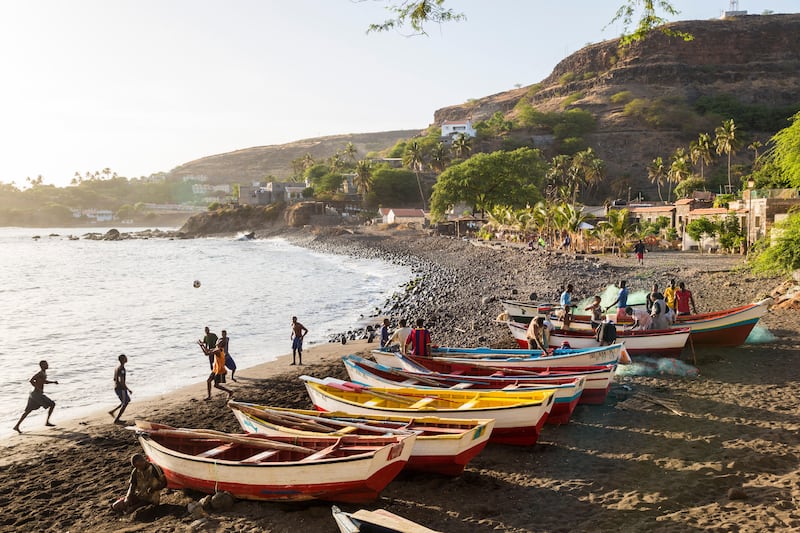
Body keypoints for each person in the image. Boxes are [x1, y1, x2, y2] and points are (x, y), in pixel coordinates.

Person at [13, 360, 58, 433]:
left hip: (33, 394)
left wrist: (53, 382)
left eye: (47, 364)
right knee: (52, 404)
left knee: (28, 411)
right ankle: (47, 422)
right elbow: (31, 380)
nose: (47, 365)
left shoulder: (43, 373)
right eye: (45, 364)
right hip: (37, 394)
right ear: (42, 366)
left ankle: (16, 426)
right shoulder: (40, 373)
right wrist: (37, 387)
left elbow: (44, 382)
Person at [109, 354, 132, 425]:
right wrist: (128, 389)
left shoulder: (117, 368)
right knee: (125, 403)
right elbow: (122, 381)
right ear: (123, 360)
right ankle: (117, 419)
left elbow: (114, 379)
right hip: (120, 388)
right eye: (125, 358)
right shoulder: (122, 369)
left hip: (117, 388)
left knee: (126, 400)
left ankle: (113, 411)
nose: (127, 359)